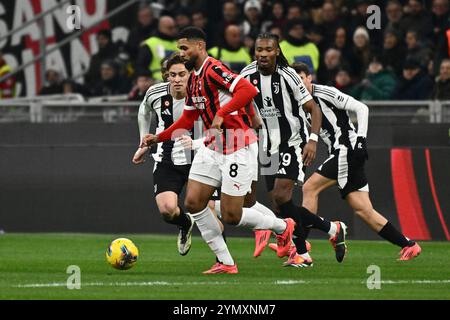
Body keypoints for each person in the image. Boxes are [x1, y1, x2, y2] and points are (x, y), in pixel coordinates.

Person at [141, 27, 296, 274]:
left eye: (184, 48)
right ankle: (225, 262)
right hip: (213, 146)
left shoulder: (213, 68)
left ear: (199, 47)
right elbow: (187, 120)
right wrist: (157, 137)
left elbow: (248, 90)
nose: (180, 53)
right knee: (193, 202)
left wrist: (222, 114)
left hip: (238, 144)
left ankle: (281, 227)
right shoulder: (193, 79)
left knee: (232, 215)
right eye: (179, 48)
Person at [292, 62, 422, 261]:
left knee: (310, 188)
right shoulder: (299, 104)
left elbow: (361, 108)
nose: (298, 83)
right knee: (364, 210)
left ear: (309, 78)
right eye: (294, 80)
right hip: (342, 153)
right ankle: (408, 245)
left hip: (347, 149)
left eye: (301, 78)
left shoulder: (325, 93)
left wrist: (361, 140)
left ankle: (301, 248)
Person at [240, 33, 347, 268]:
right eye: (259, 50)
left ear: (277, 51)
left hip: (293, 142)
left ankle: (302, 254)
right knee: (280, 206)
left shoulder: (288, 75)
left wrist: (312, 140)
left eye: (269, 49)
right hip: (266, 147)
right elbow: (237, 101)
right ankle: (331, 228)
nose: (263, 54)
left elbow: (313, 108)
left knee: (280, 196)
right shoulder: (246, 75)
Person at [132, 53, 198, 255]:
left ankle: (222, 261)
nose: (177, 79)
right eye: (172, 75)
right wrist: (144, 141)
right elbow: (144, 111)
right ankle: (185, 223)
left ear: (190, 74)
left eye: (181, 74)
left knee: (208, 208)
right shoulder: (155, 93)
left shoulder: (201, 92)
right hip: (167, 155)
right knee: (168, 210)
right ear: (167, 76)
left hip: (198, 154)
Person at [136, 16, 178, 81]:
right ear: (161, 28)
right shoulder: (150, 43)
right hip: (156, 83)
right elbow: (141, 67)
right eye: (170, 28)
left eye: (175, 27)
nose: (174, 30)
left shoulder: (179, 44)